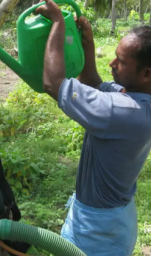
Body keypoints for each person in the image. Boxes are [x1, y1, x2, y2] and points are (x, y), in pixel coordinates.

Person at [36, 0, 151, 255]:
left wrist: (58, 24)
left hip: (98, 230)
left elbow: (53, 84)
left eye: (120, 61)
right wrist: (88, 44)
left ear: (146, 74)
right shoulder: (135, 97)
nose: (111, 63)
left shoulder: (123, 110)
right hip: (113, 218)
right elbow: (93, 82)